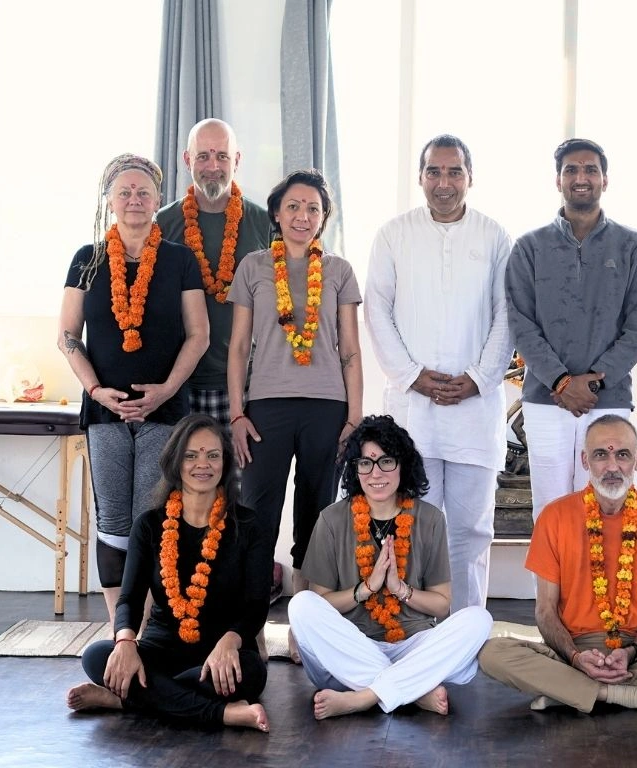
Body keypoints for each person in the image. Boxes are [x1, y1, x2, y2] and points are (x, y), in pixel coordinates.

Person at [478, 415, 637, 716]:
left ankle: (568, 690)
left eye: (622, 454)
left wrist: (630, 651)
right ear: (585, 460)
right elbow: (545, 611)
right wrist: (574, 657)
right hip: (572, 649)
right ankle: (627, 694)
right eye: (601, 454)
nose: (612, 466)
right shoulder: (554, 516)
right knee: (491, 653)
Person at [364, 134, 514, 611]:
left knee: (471, 529)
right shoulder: (393, 234)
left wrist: (478, 378)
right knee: (411, 523)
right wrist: (412, 375)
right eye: (434, 171)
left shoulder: (494, 237)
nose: (444, 183)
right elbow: (377, 310)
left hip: (474, 408)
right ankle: (411, 629)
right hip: (414, 409)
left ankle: (465, 631)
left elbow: (506, 313)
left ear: (471, 177)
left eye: (454, 172)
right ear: (420, 177)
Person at [58, 153, 209, 618]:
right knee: (112, 521)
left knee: (153, 519)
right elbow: (67, 338)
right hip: (105, 412)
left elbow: (198, 335)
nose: (134, 200)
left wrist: (164, 390)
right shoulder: (88, 259)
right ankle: (119, 626)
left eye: (143, 191)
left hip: (164, 413)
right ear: (109, 201)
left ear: (158, 199)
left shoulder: (181, 260)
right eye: (123, 192)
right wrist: (95, 390)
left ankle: (149, 626)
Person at [67, 414, 272, 731]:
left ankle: (124, 699)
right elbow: (130, 599)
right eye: (191, 455)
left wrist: (230, 642)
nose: (202, 464)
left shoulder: (248, 526)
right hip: (159, 650)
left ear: (225, 462)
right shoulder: (149, 525)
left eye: (212, 455)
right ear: (176, 462)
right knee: (97, 656)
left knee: (249, 673)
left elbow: (256, 605)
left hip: (223, 653)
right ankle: (221, 713)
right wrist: (125, 643)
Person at [288, 415, 493, 720]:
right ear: (355, 469)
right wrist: (366, 589)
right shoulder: (331, 519)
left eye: (386, 461)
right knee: (301, 605)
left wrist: (401, 589)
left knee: (479, 619)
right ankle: (413, 689)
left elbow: (440, 605)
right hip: (349, 649)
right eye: (365, 463)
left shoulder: (430, 518)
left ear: (403, 464)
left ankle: (364, 697)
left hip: (412, 644)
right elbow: (322, 604)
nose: (375, 474)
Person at [227, 169, 362, 599]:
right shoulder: (254, 266)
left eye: (313, 208)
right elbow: (237, 348)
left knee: (318, 510)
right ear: (276, 213)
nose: (303, 216)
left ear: (324, 218)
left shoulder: (339, 270)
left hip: (327, 406)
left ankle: (308, 619)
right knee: (256, 510)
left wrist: (354, 416)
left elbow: (350, 351)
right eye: (294, 206)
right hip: (266, 405)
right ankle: (249, 627)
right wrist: (236, 413)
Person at [506, 138, 637, 521]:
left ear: (605, 180)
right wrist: (560, 382)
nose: (581, 177)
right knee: (551, 512)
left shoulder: (634, 247)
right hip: (545, 399)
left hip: (607, 400)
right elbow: (521, 323)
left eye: (590, 169)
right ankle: (551, 585)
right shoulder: (529, 247)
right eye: (571, 169)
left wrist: (593, 383)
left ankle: (602, 585)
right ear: (557, 181)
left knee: (605, 509)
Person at [157, 119, 272, 433]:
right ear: (186, 159)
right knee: (184, 481)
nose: (212, 166)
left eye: (222, 156)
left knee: (242, 482)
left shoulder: (265, 223)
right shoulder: (162, 223)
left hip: (247, 385)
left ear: (236, 160)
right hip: (178, 384)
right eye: (203, 156)